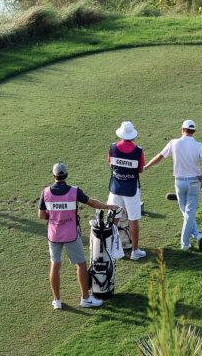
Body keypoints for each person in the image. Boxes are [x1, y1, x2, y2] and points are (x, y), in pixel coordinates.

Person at [38, 162, 120, 310]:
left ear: (54, 176)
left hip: (54, 235)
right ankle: (85, 299)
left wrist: (55, 217)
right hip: (71, 234)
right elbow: (93, 204)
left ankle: (57, 301)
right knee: (81, 264)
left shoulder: (45, 192)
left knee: (55, 265)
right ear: (66, 175)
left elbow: (41, 215)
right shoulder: (74, 191)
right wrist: (109, 207)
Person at [145, 119, 202, 251]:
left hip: (179, 182)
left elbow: (160, 156)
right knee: (189, 213)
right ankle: (191, 240)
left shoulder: (173, 143)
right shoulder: (199, 145)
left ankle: (191, 240)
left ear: (182, 129)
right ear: (194, 131)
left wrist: (146, 166)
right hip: (194, 182)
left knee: (186, 212)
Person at [106, 121, 147, 261]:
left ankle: (109, 249)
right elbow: (141, 169)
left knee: (113, 219)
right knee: (133, 219)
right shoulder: (138, 151)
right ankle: (135, 251)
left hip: (116, 188)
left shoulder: (112, 147)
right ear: (133, 135)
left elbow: (110, 162)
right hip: (131, 189)